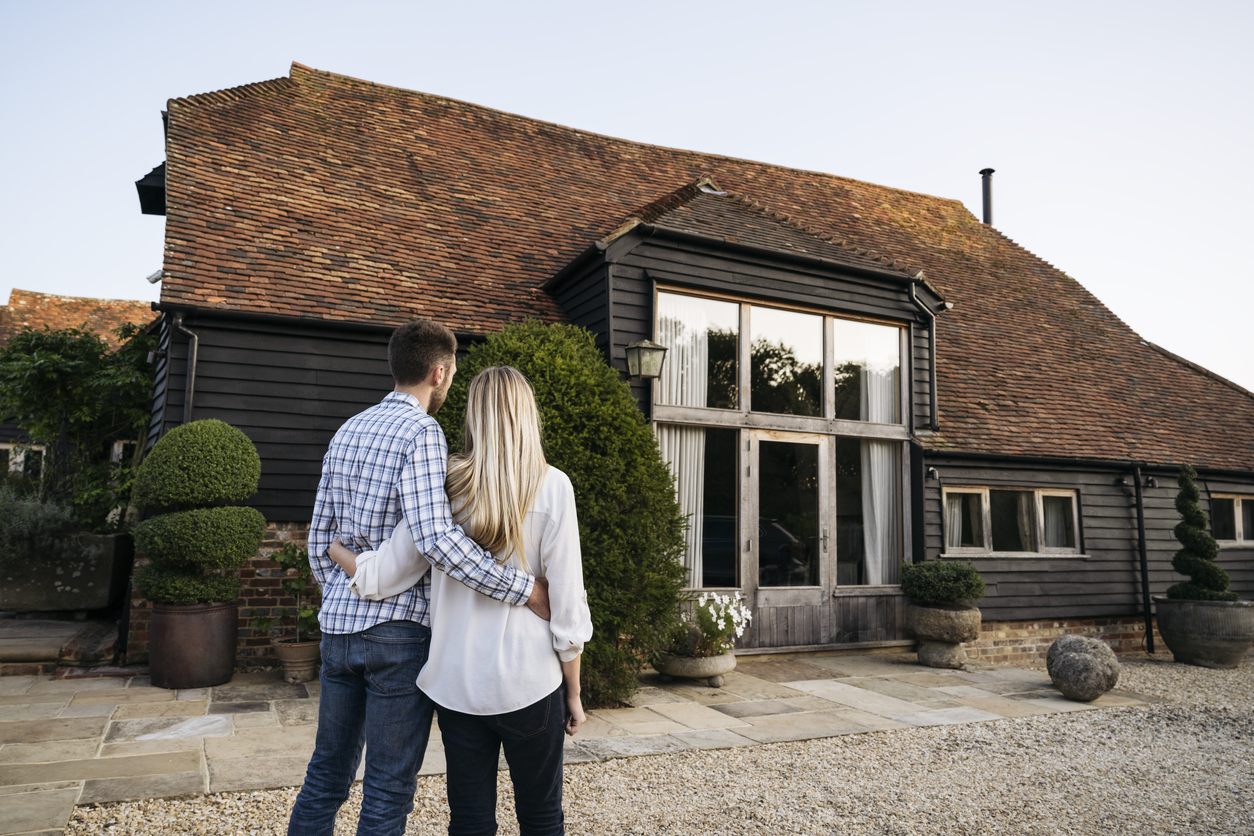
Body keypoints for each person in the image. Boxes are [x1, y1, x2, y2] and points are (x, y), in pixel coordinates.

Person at [288, 322, 551, 836]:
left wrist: (347, 593)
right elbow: (435, 540)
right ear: (439, 372)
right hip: (398, 636)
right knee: (387, 788)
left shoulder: (348, 429)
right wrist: (523, 589)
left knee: (326, 773)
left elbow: (319, 539)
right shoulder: (423, 433)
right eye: (451, 374)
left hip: (337, 630)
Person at [328, 365, 592, 836]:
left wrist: (340, 555)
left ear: (474, 416)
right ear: (527, 416)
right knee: (542, 818)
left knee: (469, 821)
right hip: (530, 685)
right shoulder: (554, 487)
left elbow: (390, 572)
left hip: (457, 688)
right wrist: (573, 692)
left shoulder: (447, 484)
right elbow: (567, 607)